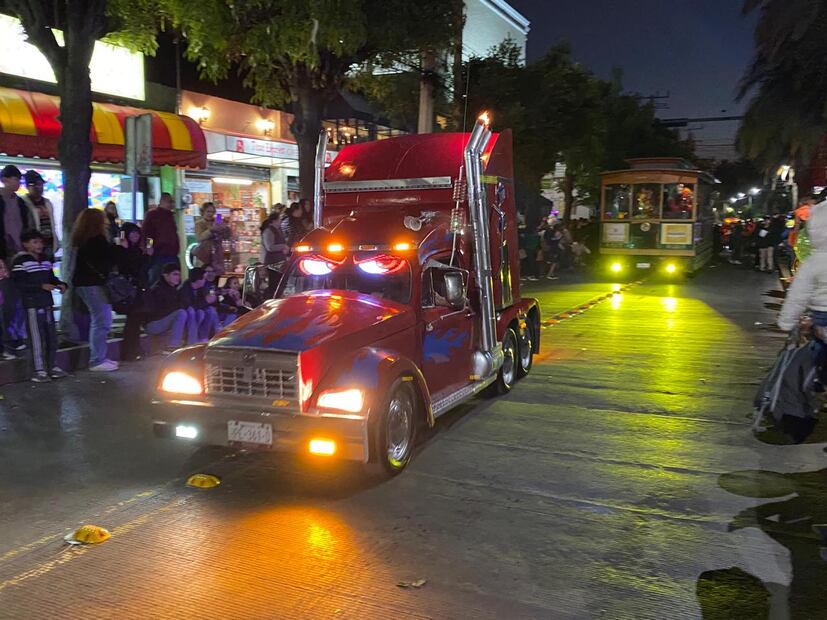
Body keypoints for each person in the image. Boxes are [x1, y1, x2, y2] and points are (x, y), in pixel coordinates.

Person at [11, 229, 68, 382]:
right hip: (32, 305)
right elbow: (19, 283)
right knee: (36, 337)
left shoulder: (45, 260)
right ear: (25, 244)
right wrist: (40, 286)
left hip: (47, 303)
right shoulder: (20, 261)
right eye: (35, 242)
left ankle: (52, 366)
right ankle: (38, 370)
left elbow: (51, 277)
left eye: (40, 241)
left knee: (51, 336)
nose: (39, 245)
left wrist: (61, 284)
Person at [778, 202, 827, 375]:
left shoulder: (814, 261)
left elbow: (798, 296)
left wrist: (787, 322)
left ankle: (818, 383)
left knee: (818, 357)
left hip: (822, 316)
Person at [71, 208, 120, 372]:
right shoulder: (97, 239)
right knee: (102, 320)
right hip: (93, 283)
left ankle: (100, 357)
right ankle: (97, 359)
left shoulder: (82, 239)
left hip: (84, 283)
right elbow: (108, 259)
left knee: (99, 319)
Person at [1, 165, 35, 352]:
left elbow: (26, 225)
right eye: (15, 179)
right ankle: (7, 337)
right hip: (5, 255)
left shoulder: (21, 203)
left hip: (19, 254)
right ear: (6, 179)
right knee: (8, 297)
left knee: (19, 297)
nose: (18, 183)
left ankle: (15, 335)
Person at [143, 263, 189, 351]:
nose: (178, 277)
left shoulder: (173, 289)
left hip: (162, 322)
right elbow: (160, 311)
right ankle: (173, 346)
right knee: (181, 313)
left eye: (179, 275)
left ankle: (191, 342)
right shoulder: (158, 289)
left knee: (190, 312)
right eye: (174, 274)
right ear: (165, 275)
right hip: (153, 324)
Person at [142, 192, 180, 284]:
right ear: (162, 201)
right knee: (157, 280)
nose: (172, 204)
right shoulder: (153, 215)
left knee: (172, 280)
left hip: (171, 253)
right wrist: (149, 246)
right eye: (169, 202)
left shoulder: (170, 216)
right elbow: (147, 232)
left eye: (172, 202)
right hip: (159, 253)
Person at [21, 171, 59, 261]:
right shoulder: (22, 202)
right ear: (27, 187)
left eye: (40, 184)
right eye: (33, 185)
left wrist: (55, 241)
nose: (38, 187)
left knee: (48, 269)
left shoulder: (47, 202)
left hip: (49, 241)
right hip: (32, 244)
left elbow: (52, 223)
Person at [194, 202, 228, 275]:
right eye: (208, 211)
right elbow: (199, 237)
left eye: (212, 212)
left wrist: (224, 228)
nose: (210, 214)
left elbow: (225, 236)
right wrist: (212, 229)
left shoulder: (217, 220)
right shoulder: (199, 223)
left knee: (216, 276)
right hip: (204, 255)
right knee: (204, 275)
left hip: (216, 254)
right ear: (203, 212)